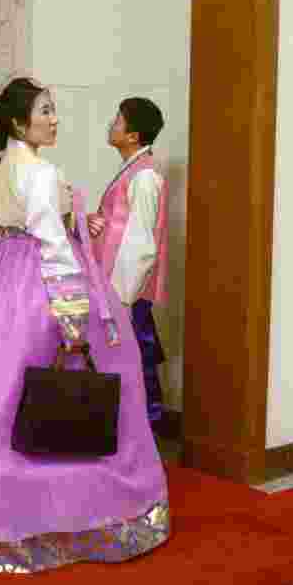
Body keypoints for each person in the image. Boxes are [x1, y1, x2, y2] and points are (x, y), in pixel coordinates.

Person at [0, 77, 169, 574]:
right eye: (45, 111)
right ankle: (63, 510)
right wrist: (72, 313)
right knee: (68, 381)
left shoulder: (4, 164)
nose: (54, 119)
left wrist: (74, 222)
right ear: (17, 121)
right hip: (45, 280)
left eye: (53, 110)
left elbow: (26, 224)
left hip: (1, 271)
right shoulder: (42, 170)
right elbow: (50, 242)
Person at [88, 98, 169, 428]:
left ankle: (143, 433)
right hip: (115, 285)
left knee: (131, 360)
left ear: (133, 135)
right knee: (126, 360)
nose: (111, 125)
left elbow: (142, 244)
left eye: (117, 120)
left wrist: (120, 296)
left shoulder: (144, 177)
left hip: (125, 291)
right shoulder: (132, 172)